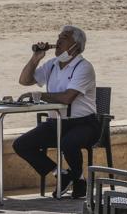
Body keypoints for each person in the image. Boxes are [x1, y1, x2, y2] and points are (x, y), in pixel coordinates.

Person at [12, 25, 100, 199]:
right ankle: (61, 174)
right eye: (58, 36)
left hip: (84, 124)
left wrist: (39, 94)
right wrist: (36, 58)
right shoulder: (52, 64)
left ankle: (79, 180)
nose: (58, 41)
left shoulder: (84, 67)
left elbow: (68, 98)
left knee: (68, 143)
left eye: (64, 38)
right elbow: (24, 80)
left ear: (76, 46)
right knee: (21, 144)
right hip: (56, 123)